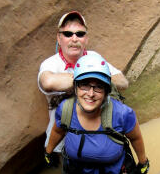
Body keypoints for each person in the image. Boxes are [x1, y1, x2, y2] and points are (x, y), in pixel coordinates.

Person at [44, 54, 149, 174]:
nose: (90, 94)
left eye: (98, 87)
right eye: (85, 85)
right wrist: (48, 152)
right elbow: (58, 131)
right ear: (76, 86)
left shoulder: (122, 113)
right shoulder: (66, 109)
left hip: (117, 170)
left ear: (107, 90)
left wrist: (143, 162)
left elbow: (136, 137)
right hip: (77, 173)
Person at [38, 11, 129, 153]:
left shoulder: (94, 57)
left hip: (99, 133)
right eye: (68, 34)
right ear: (59, 38)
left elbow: (122, 82)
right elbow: (48, 82)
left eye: (80, 34)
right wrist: (93, 78)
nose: (74, 39)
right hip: (64, 138)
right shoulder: (50, 63)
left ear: (86, 38)